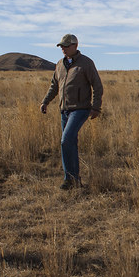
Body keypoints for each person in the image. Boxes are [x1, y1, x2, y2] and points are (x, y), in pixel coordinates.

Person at [40, 34, 103, 190]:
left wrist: (96, 107)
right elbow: (54, 86)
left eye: (66, 46)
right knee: (69, 143)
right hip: (64, 110)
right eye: (62, 46)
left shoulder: (86, 63)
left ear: (75, 45)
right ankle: (73, 180)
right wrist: (45, 101)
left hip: (80, 109)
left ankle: (70, 178)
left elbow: (97, 85)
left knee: (66, 140)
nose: (63, 48)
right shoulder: (59, 64)